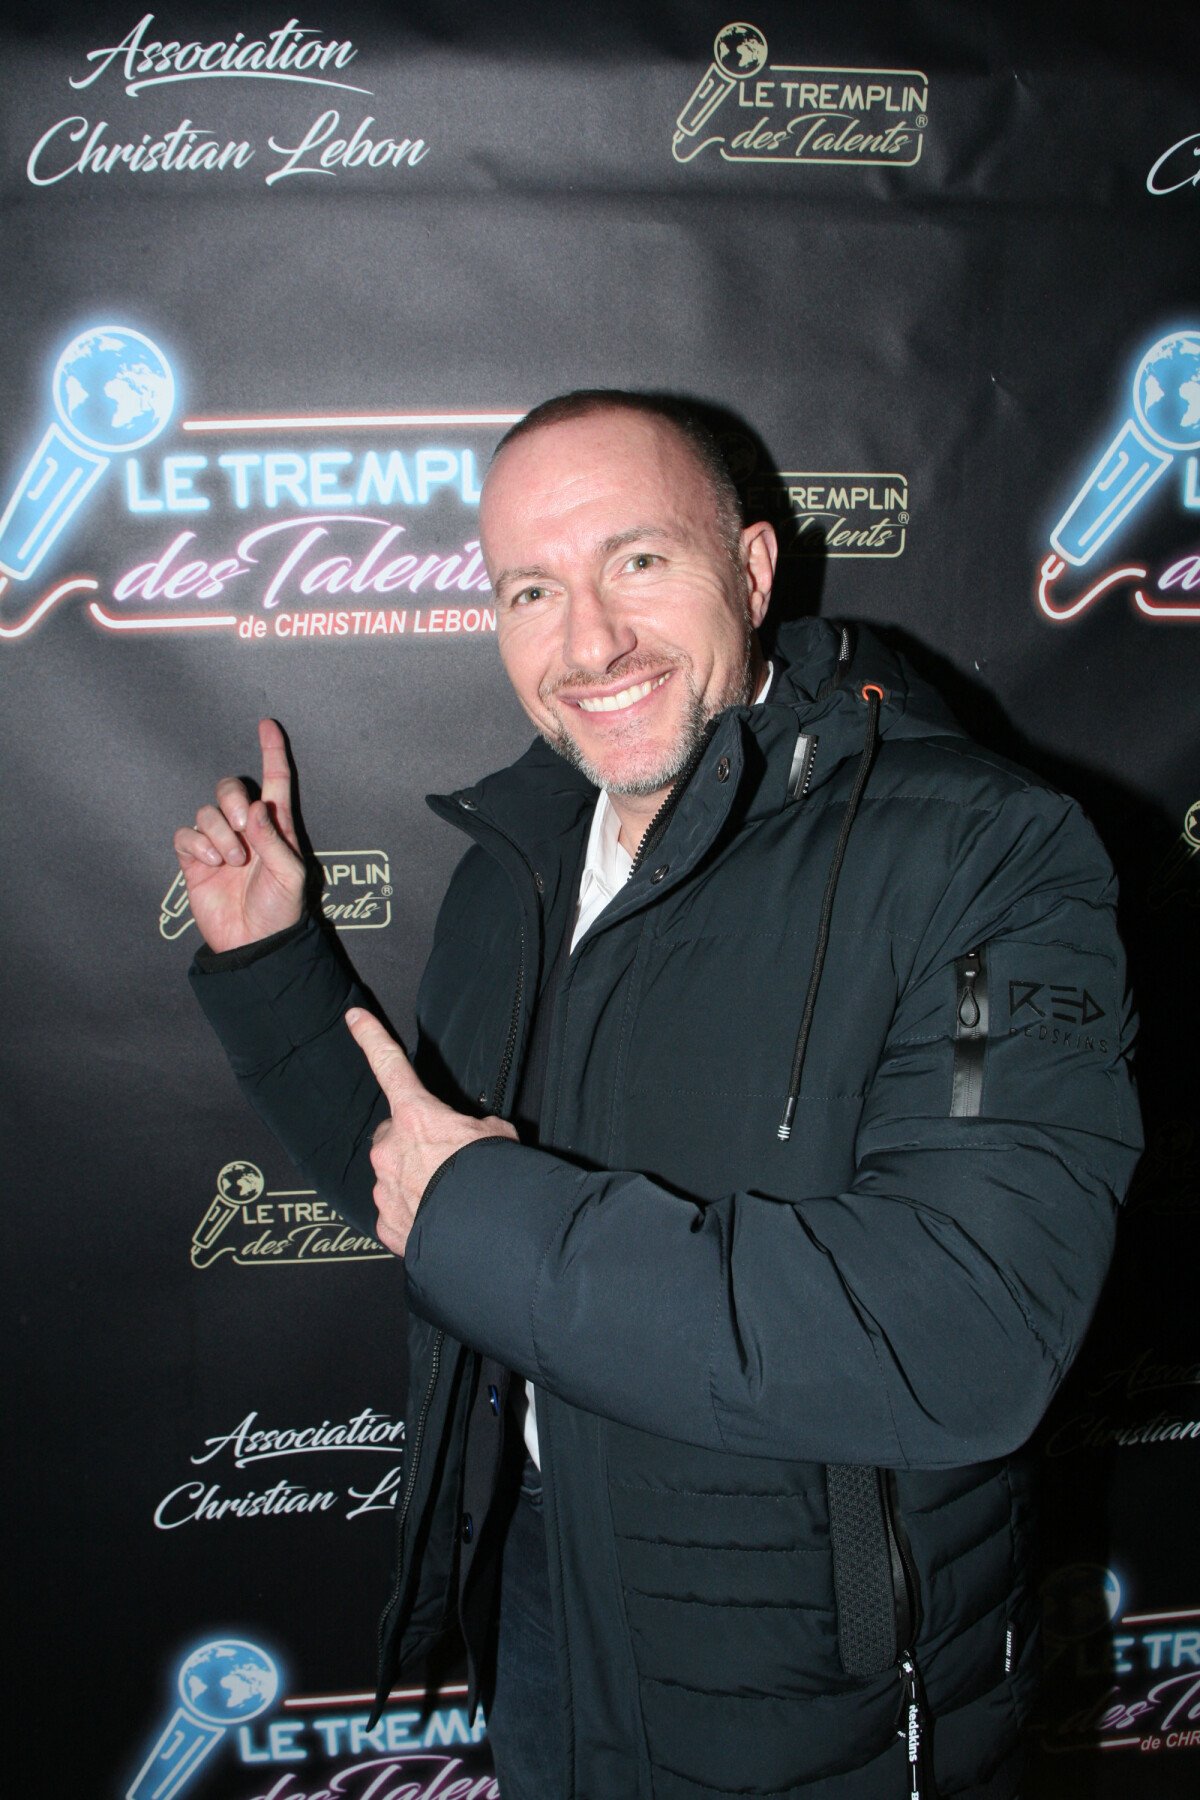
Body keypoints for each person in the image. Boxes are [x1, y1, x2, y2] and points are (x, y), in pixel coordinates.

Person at [178, 392, 1141, 1800]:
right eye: (532, 590)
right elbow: (430, 1191)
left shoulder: (984, 861)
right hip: (549, 1612)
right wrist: (274, 966)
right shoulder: (514, 873)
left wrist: (487, 1217)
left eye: (638, 562)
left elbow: (971, 1325)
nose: (589, 642)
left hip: (817, 1697)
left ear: (751, 572)